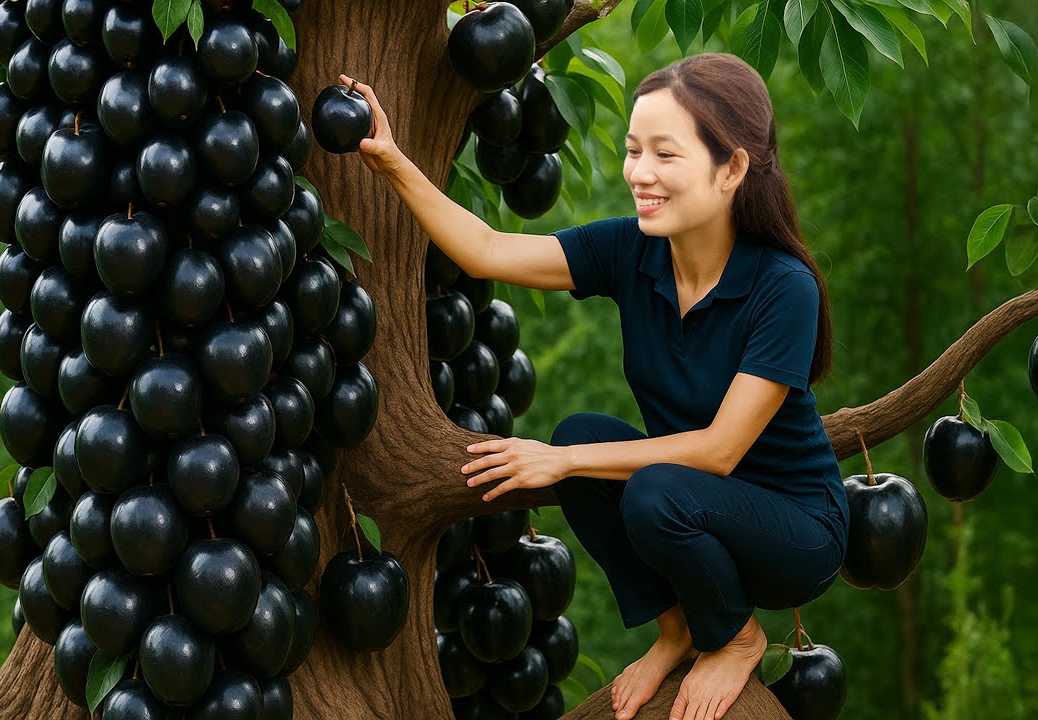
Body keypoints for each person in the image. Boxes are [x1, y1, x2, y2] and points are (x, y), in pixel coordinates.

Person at [341, 52, 848, 720]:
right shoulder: (633, 251)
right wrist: (392, 160)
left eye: (666, 155)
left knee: (637, 484)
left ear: (731, 169)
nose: (639, 174)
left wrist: (565, 462)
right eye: (634, 151)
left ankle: (736, 636)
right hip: (691, 518)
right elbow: (488, 250)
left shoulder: (783, 287)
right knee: (580, 435)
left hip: (794, 532)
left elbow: (721, 451)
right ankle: (679, 629)